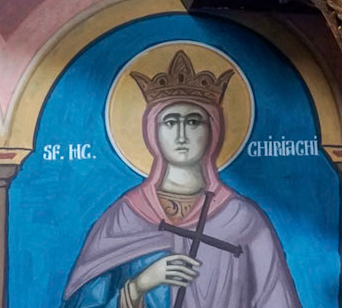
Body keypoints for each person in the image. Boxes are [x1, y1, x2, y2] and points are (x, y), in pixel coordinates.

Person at [62, 49, 301, 308]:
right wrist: (139, 285)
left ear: (214, 130)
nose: (181, 135)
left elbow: (277, 301)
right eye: (170, 122)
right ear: (153, 132)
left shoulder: (243, 219)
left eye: (194, 122)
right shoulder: (124, 217)